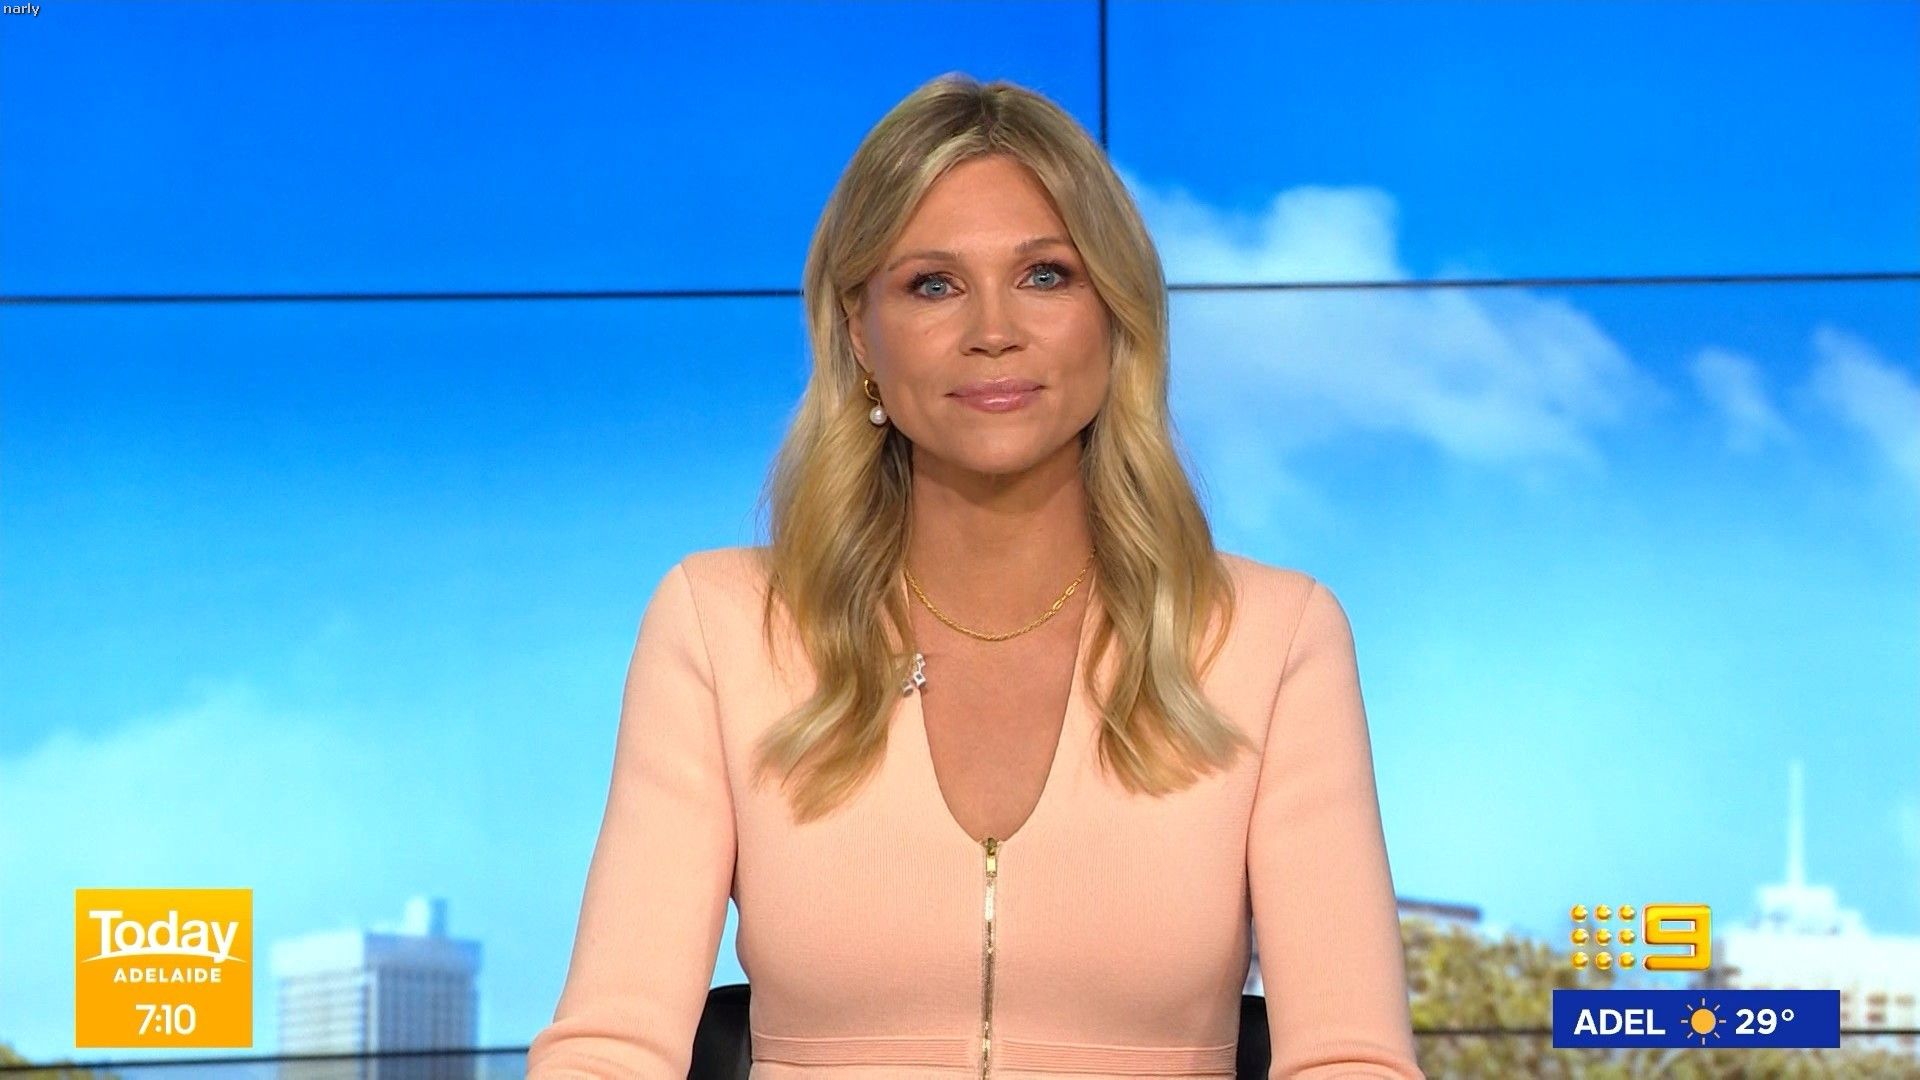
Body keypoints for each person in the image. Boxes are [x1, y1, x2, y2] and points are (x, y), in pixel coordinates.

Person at [526, 72, 1424, 1080]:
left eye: (1046, 275)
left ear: (1115, 314)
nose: (994, 329)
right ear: (858, 332)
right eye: (933, 285)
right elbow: (609, 1048)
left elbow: (1351, 1059)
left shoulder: (1271, 636)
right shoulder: (723, 625)